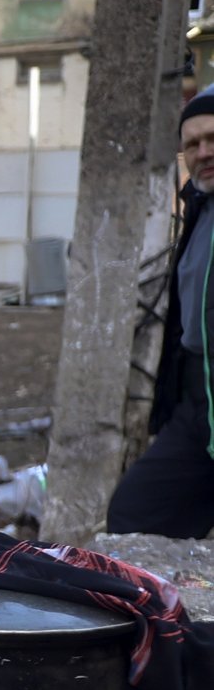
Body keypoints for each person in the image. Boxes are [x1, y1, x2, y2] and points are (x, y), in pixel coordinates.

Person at [108, 91, 214, 536]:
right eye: (192, 145)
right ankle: (171, 605)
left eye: (213, 138)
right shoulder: (200, 208)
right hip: (197, 399)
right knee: (136, 512)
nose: (203, 152)